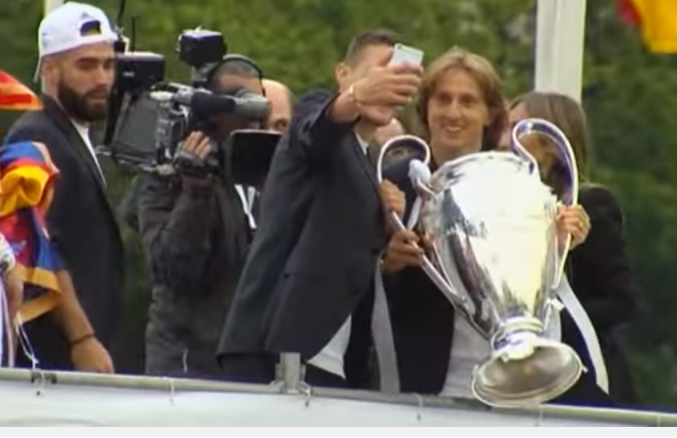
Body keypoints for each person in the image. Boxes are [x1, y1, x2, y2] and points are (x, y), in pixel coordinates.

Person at [379, 47, 598, 403]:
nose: (453, 112)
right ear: (426, 108)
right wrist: (387, 263)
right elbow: (362, 287)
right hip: (427, 383)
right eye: (443, 99)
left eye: (468, 101)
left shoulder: (517, 181)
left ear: (489, 113)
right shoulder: (397, 183)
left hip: (520, 379)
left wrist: (558, 240)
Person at [217, 28, 421, 388]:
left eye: (397, 76)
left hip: (335, 357)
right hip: (275, 346)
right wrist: (355, 98)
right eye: (377, 72)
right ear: (343, 74)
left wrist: (387, 237)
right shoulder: (315, 111)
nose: (386, 84)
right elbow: (316, 132)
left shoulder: (372, 160)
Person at [3, 1, 120, 373]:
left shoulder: (76, 135)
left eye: (108, 64)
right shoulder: (37, 136)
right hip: (55, 358)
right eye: (86, 66)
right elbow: (39, 251)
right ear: (50, 69)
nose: (102, 78)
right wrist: (81, 339)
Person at [501, 91, 639, 406]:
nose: (505, 139)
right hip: (523, 374)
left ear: (552, 141)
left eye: (517, 128)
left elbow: (621, 301)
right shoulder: (506, 206)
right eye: (504, 128)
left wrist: (548, 326)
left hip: (581, 374)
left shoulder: (589, 205)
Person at [136, 54, 266, 377]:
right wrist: (196, 189)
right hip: (186, 361)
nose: (251, 115)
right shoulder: (166, 174)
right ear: (211, 112)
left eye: (257, 103)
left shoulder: (262, 175)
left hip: (243, 358)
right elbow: (173, 268)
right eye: (238, 103)